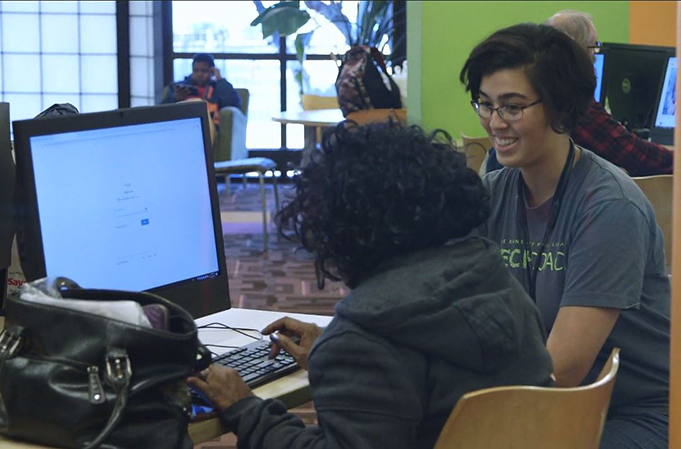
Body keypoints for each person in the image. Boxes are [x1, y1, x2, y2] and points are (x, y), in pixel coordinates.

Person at [187, 121, 554, 448]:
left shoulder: (367, 338)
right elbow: (423, 386)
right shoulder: (495, 280)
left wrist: (244, 407)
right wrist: (332, 357)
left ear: (344, 230)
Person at [459, 23, 670, 448]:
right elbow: (446, 305)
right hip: (548, 399)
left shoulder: (608, 208)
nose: (494, 123)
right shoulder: (494, 192)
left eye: (512, 107)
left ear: (559, 108)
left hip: (636, 411)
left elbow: (561, 373)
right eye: (485, 104)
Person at [485, 10, 674, 177]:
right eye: (593, 47)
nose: (595, 56)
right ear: (576, 52)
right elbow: (634, 155)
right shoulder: (573, 103)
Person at [161, 53, 241, 129]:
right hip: (182, 126)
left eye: (204, 71)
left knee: (198, 104)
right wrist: (175, 98)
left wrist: (220, 79)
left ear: (212, 72)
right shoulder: (178, 87)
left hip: (208, 128)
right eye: (196, 70)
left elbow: (233, 103)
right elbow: (161, 110)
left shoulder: (218, 88)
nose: (199, 74)